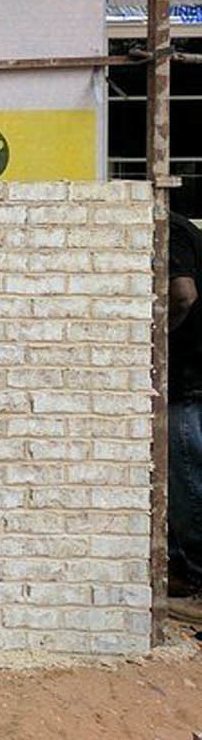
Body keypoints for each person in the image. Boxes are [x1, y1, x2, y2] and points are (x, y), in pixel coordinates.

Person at [170, 210, 202, 596]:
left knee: (187, 476)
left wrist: (158, 332)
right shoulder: (186, 230)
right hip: (193, 371)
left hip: (186, 375)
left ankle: (196, 575)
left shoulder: (170, 230)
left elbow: (183, 294)